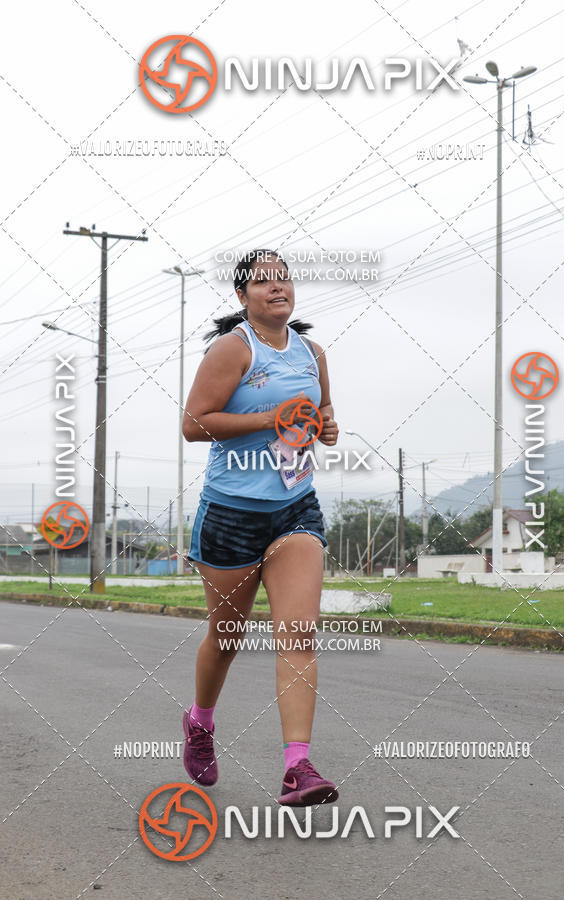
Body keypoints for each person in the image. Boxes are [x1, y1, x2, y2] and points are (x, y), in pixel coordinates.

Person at [181, 248, 339, 806]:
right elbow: (195, 423)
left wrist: (325, 428)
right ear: (243, 296)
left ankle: (299, 768)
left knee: (298, 632)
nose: (278, 287)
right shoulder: (233, 349)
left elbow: (321, 417)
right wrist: (271, 417)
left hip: (295, 508)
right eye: (263, 281)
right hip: (230, 514)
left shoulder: (312, 352)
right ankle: (200, 723)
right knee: (226, 638)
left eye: (284, 278)